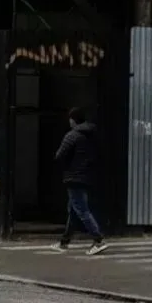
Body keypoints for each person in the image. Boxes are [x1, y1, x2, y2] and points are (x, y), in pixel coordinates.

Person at [52, 107, 108, 255]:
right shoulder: (92, 135)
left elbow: (59, 155)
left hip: (73, 177)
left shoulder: (72, 135)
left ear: (73, 120)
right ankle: (64, 242)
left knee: (81, 210)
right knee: (74, 210)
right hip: (87, 176)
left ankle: (98, 240)